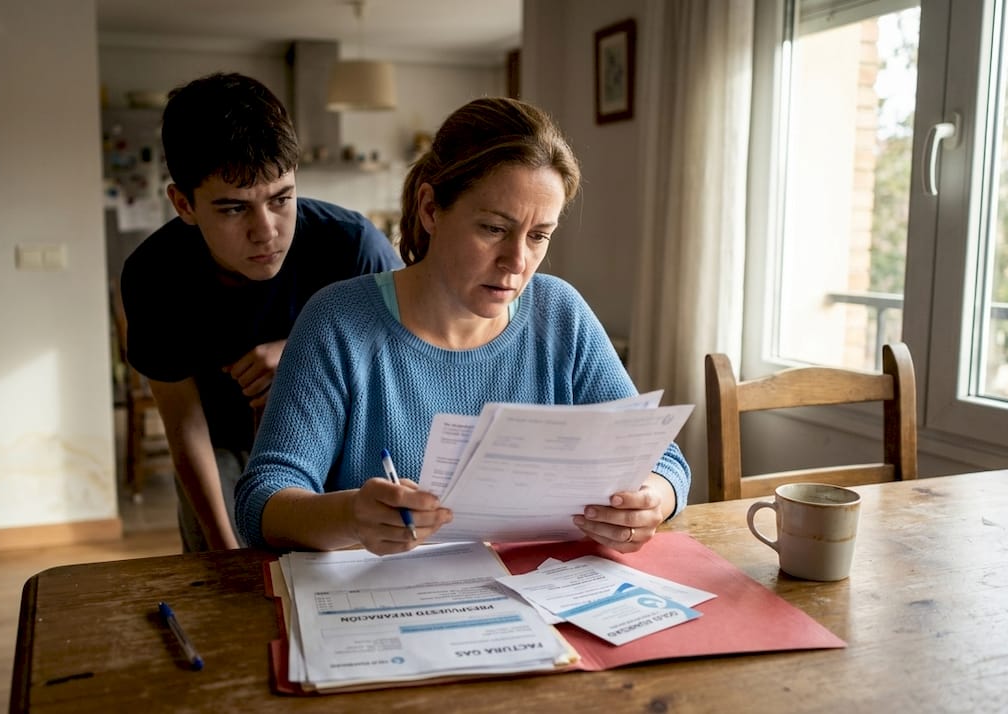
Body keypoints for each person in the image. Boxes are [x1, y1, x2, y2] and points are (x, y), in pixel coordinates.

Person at [235, 96, 691, 555]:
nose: (517, 261)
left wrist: (650, 501)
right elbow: (261, 501)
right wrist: (350, 516)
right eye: (494, 229)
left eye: (538, 236)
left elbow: (664, 462)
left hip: (541, 588)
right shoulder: (337, 322)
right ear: (430, 209)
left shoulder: (561, 314)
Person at [120, 72, 402, 552]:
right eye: (234, 208)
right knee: (221, 580)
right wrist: (222, 547)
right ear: (184, 204)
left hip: (338, 441)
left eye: (281, 199)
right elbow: (185, 426)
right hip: (221, 447)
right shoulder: (154, 274)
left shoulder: (353, 246)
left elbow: (406, 359)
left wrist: (301, 354)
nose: (266, 230)